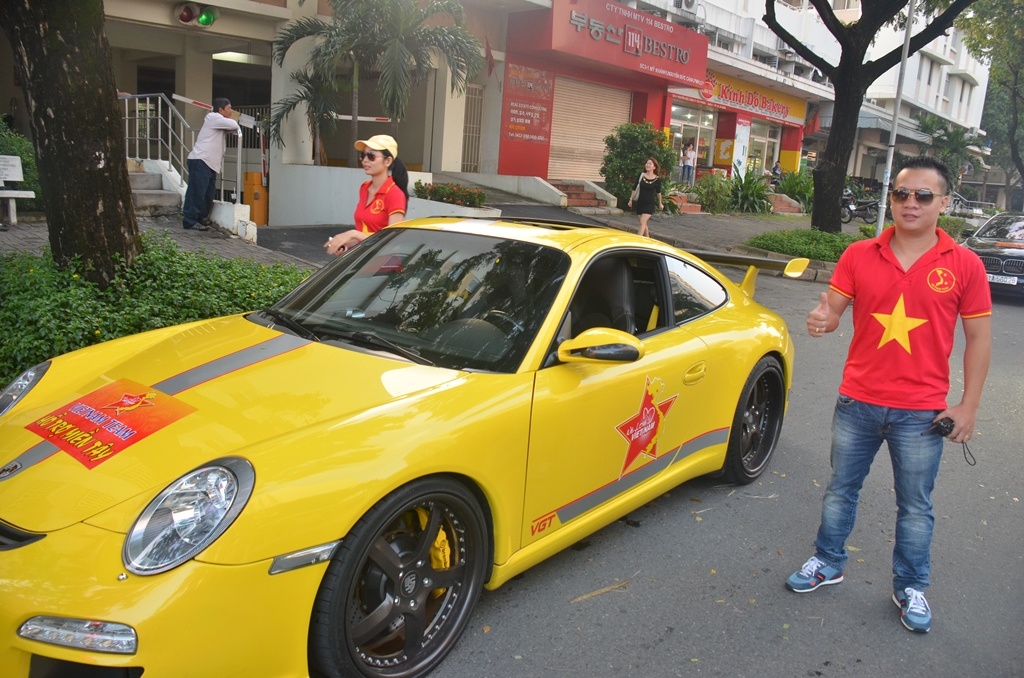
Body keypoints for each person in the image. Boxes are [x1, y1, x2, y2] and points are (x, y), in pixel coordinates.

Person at [785, 156, 992, 635]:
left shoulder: (964, 265)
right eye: (901, 194)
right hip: (857, 401)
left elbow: (979, 339)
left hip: (922, 412)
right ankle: (827, 561)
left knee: (915, 506)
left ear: (944, 203)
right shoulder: (860, 254)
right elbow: (833, 311)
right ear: (891, 199)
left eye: (923, 195)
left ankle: (910, 586)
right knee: (841, 490)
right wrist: (823, 320)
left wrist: (968, 406)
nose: (910, 203)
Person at [324, 134, 409, 255]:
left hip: (383, 263)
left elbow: (391, 241)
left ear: (388, 161)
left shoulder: (395, 194)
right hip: (364, 260)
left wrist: (353, 234)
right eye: (363, 155)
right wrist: (347, 246)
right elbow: (366, 235)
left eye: (371, 156)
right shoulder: (364, 188)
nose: (365, 160)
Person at [182, 97, 241, 231]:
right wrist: (234, 121)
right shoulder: (213, 117)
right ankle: (189, 220)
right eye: (229, 108)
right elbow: (234, 125)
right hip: (201, 160)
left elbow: (233, 130)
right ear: (220, 109)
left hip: (210, 163)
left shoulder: (219, 121)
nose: (231, 111)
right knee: (196, 192)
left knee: (208, 193)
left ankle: (200, 218)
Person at [626, 157, 663, 238]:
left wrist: (660, 203)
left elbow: (658, 192)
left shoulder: (657, 179)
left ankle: (638, 240)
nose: (647, 165)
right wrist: (630, 199)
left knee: (642, 222)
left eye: (650, 164)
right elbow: (634, 188)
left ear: (654, 167)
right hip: (640, 203)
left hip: (649, 204)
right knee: (643, 223)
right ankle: (648, 238)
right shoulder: (641, 176)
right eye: (647, 163)